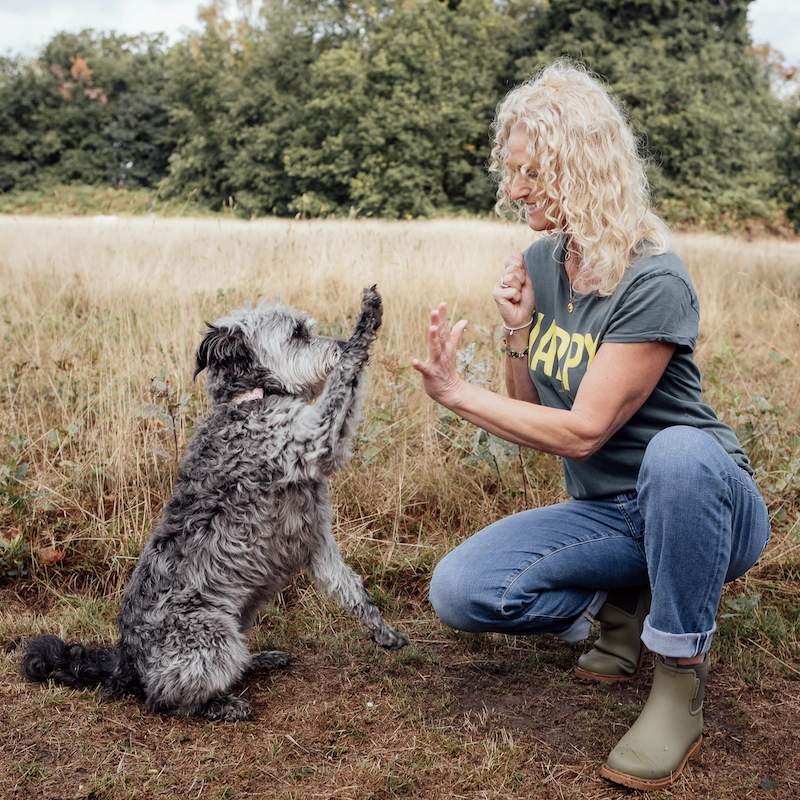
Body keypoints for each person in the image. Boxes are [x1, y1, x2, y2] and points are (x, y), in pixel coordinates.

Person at [411, 61, 770, 790]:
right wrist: (517, 332)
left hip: (707, 506)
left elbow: (582, 434)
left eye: (533, 173)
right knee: (461, 590)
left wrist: (455, 392)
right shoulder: (545, 262)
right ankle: (624, 602)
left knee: (676, 454)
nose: (515, 190)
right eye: (512, 172)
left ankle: (678, 680)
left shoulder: (652, 278)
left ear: (585, 167)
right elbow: (537, 420)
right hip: (607, 513)